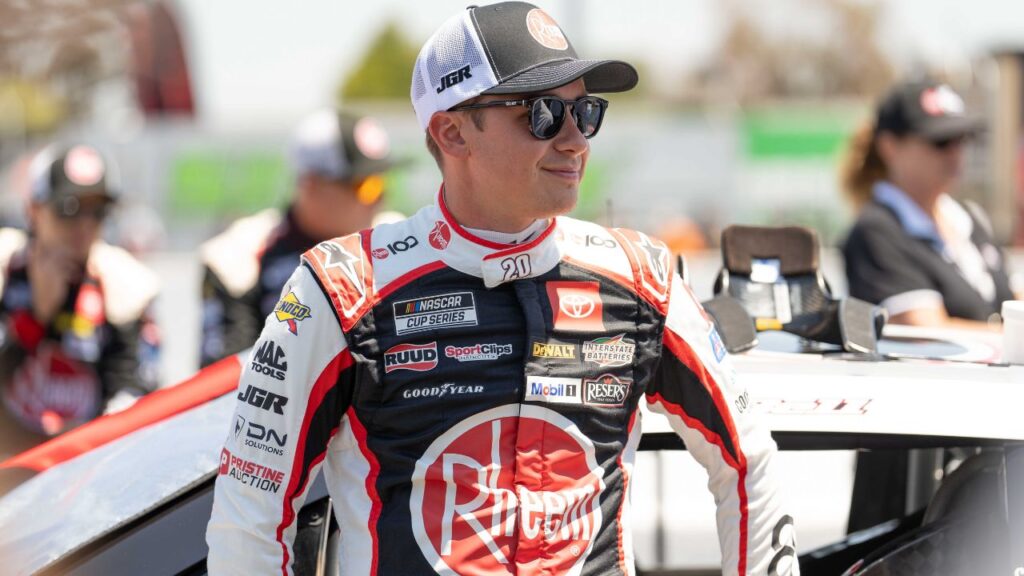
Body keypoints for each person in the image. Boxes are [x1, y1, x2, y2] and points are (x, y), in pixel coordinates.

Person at [206, 3, 798, 575]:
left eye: (586, 112)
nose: (575, 140)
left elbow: (749, 460)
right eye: (542, 114)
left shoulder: (639, 276)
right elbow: (250, 511)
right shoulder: (342, 287)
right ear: (453, 132)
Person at [198, 109, 396, 367]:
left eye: (382, 183)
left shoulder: (395, 240)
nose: (380, 198)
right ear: (311, 184)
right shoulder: (240, 255)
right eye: (366, 187)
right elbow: (223, 383)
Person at [0, 143, 160, 457]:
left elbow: (135, 406)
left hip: (84, 475)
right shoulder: (5, 271)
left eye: (98, 211)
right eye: (69, 209)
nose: (85, 226)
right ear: (34, 211)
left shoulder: (126, 287)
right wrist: (35, 318)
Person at [840, 79, 1016, 330]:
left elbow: (1010, 298)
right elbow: (925, 331)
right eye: (941, 141)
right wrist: (1011, 333)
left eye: (962, 138)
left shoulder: (967, 217)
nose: (956, 153)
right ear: (889, 147)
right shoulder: (876, 231)